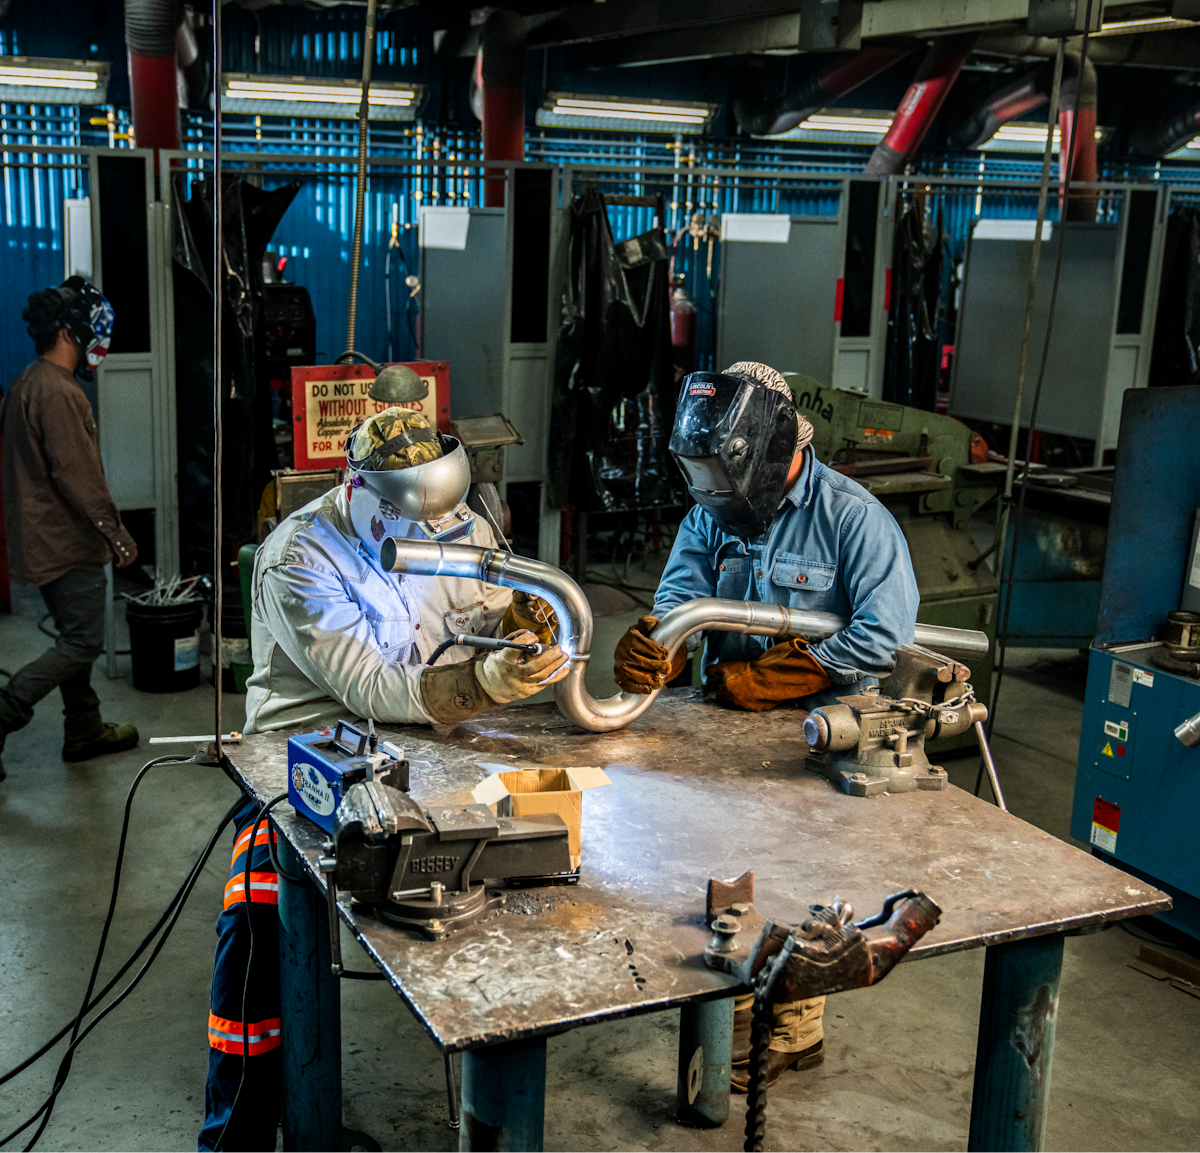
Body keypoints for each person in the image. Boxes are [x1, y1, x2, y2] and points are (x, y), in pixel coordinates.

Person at [201, 406, 567, 1152]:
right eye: (415, 518)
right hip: (306, 758)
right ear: (359, 488)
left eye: (444, 515)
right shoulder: (300, 554)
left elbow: (489, 609)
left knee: (533, 879)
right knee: (261, 912)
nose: (436, 534)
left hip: (442, 750)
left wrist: (519, 622)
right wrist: (485, 683)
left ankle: (496, 1082)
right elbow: (372, 685)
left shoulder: (457, 519)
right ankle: (235, 1133)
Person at [613, 360, 919, 1092]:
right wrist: (655, 642)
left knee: (804, 879)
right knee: (726, 871)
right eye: (705, 475)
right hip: (727, 720)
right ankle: (732, 1002)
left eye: (725, 473)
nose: (714, 492)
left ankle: (794, 1028)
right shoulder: (711, 510)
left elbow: (885, 633)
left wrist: (799, 669)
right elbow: (680, 595)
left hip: (823, 731)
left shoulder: (852, 517)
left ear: (771, 450)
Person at [0, 279, 138, 782]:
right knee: (81, 643)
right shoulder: (57, 393)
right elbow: (77, 475)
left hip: (42, 539)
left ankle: (84, 728)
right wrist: (117, 535)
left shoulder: (27, 382)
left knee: (72, 634)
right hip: (65, 543)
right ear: (69, 332)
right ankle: (5, 712)